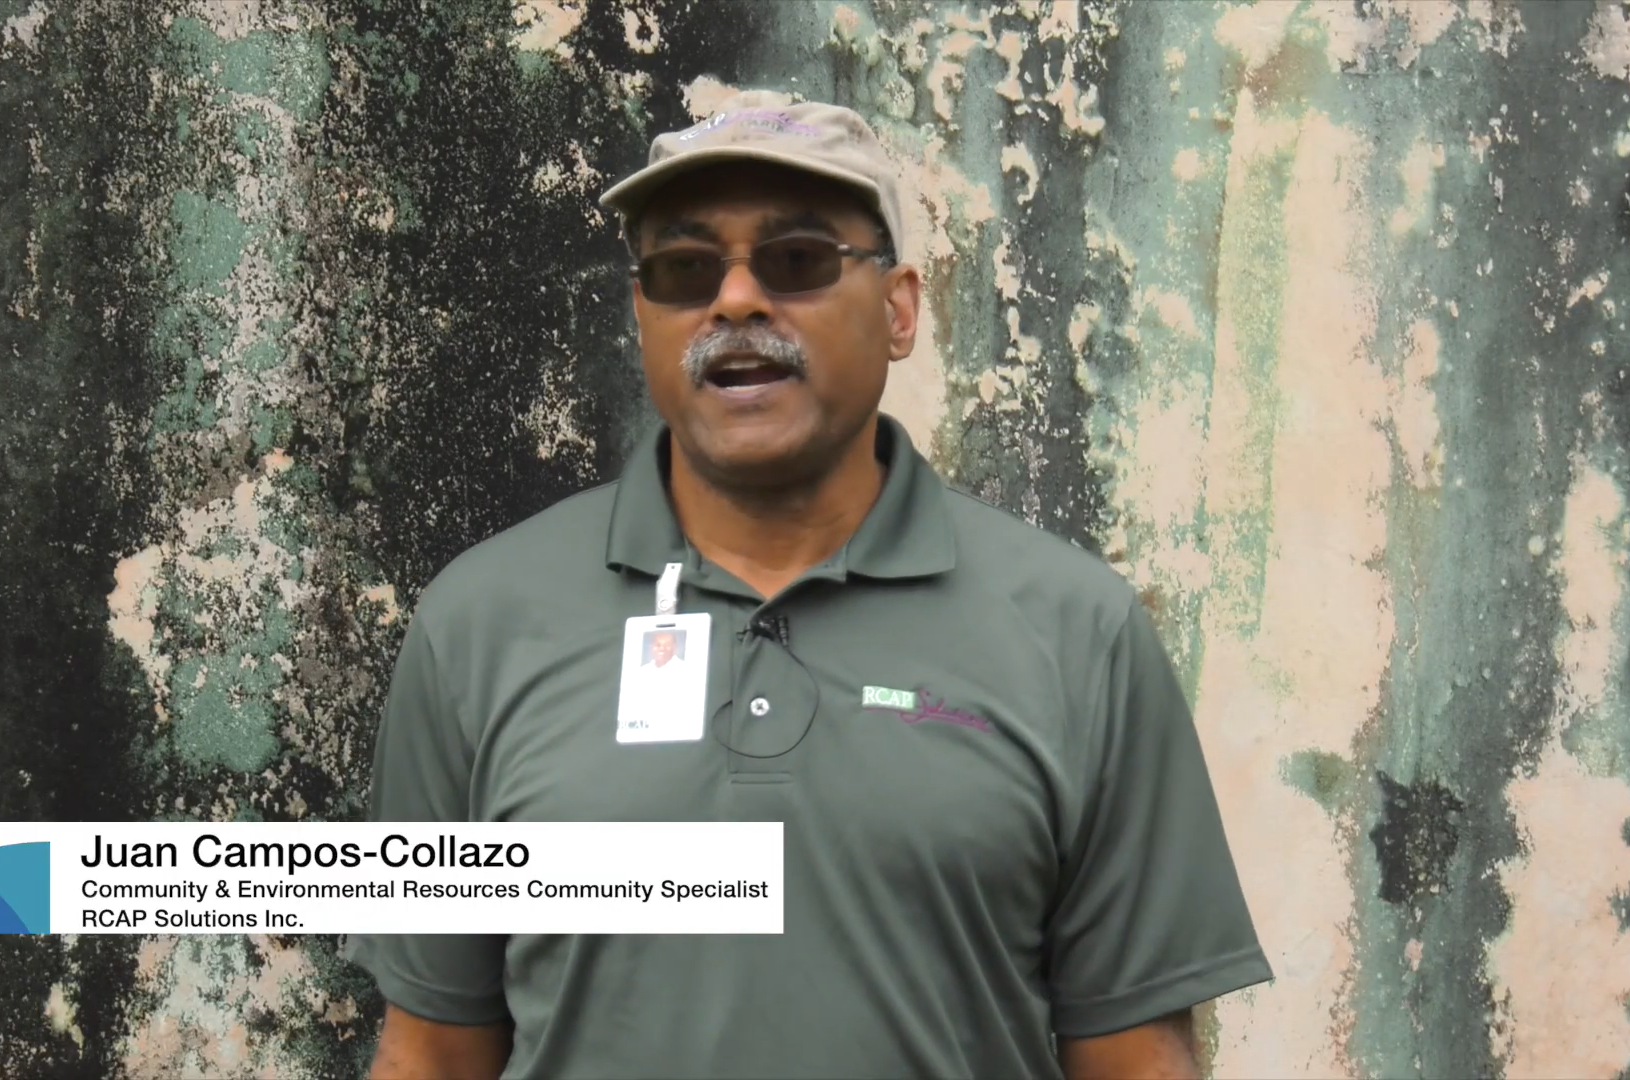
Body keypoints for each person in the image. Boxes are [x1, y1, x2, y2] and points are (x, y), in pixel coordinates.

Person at [347, 90, 1271, 1080]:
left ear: (900, 307)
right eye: (684, 270)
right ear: (641, 315)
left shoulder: (1078, 633)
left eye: (796, 260)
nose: (734, 301)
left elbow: (1134, 1060)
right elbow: (434, 1053)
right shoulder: (481, 625)